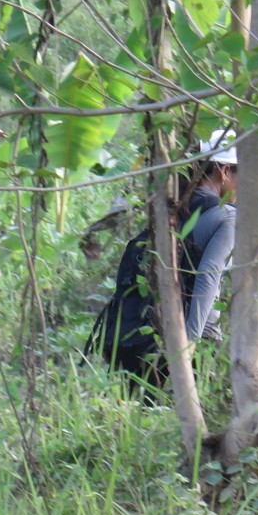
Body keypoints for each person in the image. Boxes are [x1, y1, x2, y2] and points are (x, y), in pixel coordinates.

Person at [87, 129, 238, 397]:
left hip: (128, 339)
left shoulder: (171, 208)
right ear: (224, 171)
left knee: (137, 417)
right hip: (171, 346)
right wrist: (189, 347)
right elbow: (208, 278)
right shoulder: (226, 217)